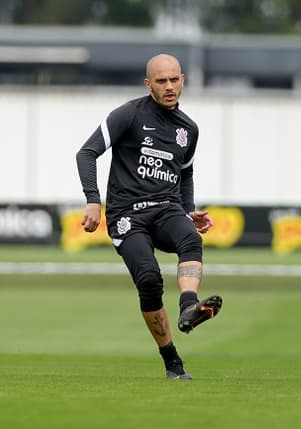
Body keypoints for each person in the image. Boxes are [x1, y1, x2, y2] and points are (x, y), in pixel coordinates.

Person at [76, 53, 222, 380]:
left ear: (183, 79)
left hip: (167, 208)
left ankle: (189, 307)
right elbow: (86, 152)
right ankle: (172, 361)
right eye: (161, 81)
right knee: (149, 280)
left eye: (174, 79)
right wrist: (92, 201)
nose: (169, 87)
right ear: (148, 84)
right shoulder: (128, 115)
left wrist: (187, 210)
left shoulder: (189, 129)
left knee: (190, 239)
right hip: (128, 215)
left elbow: (185, 173)